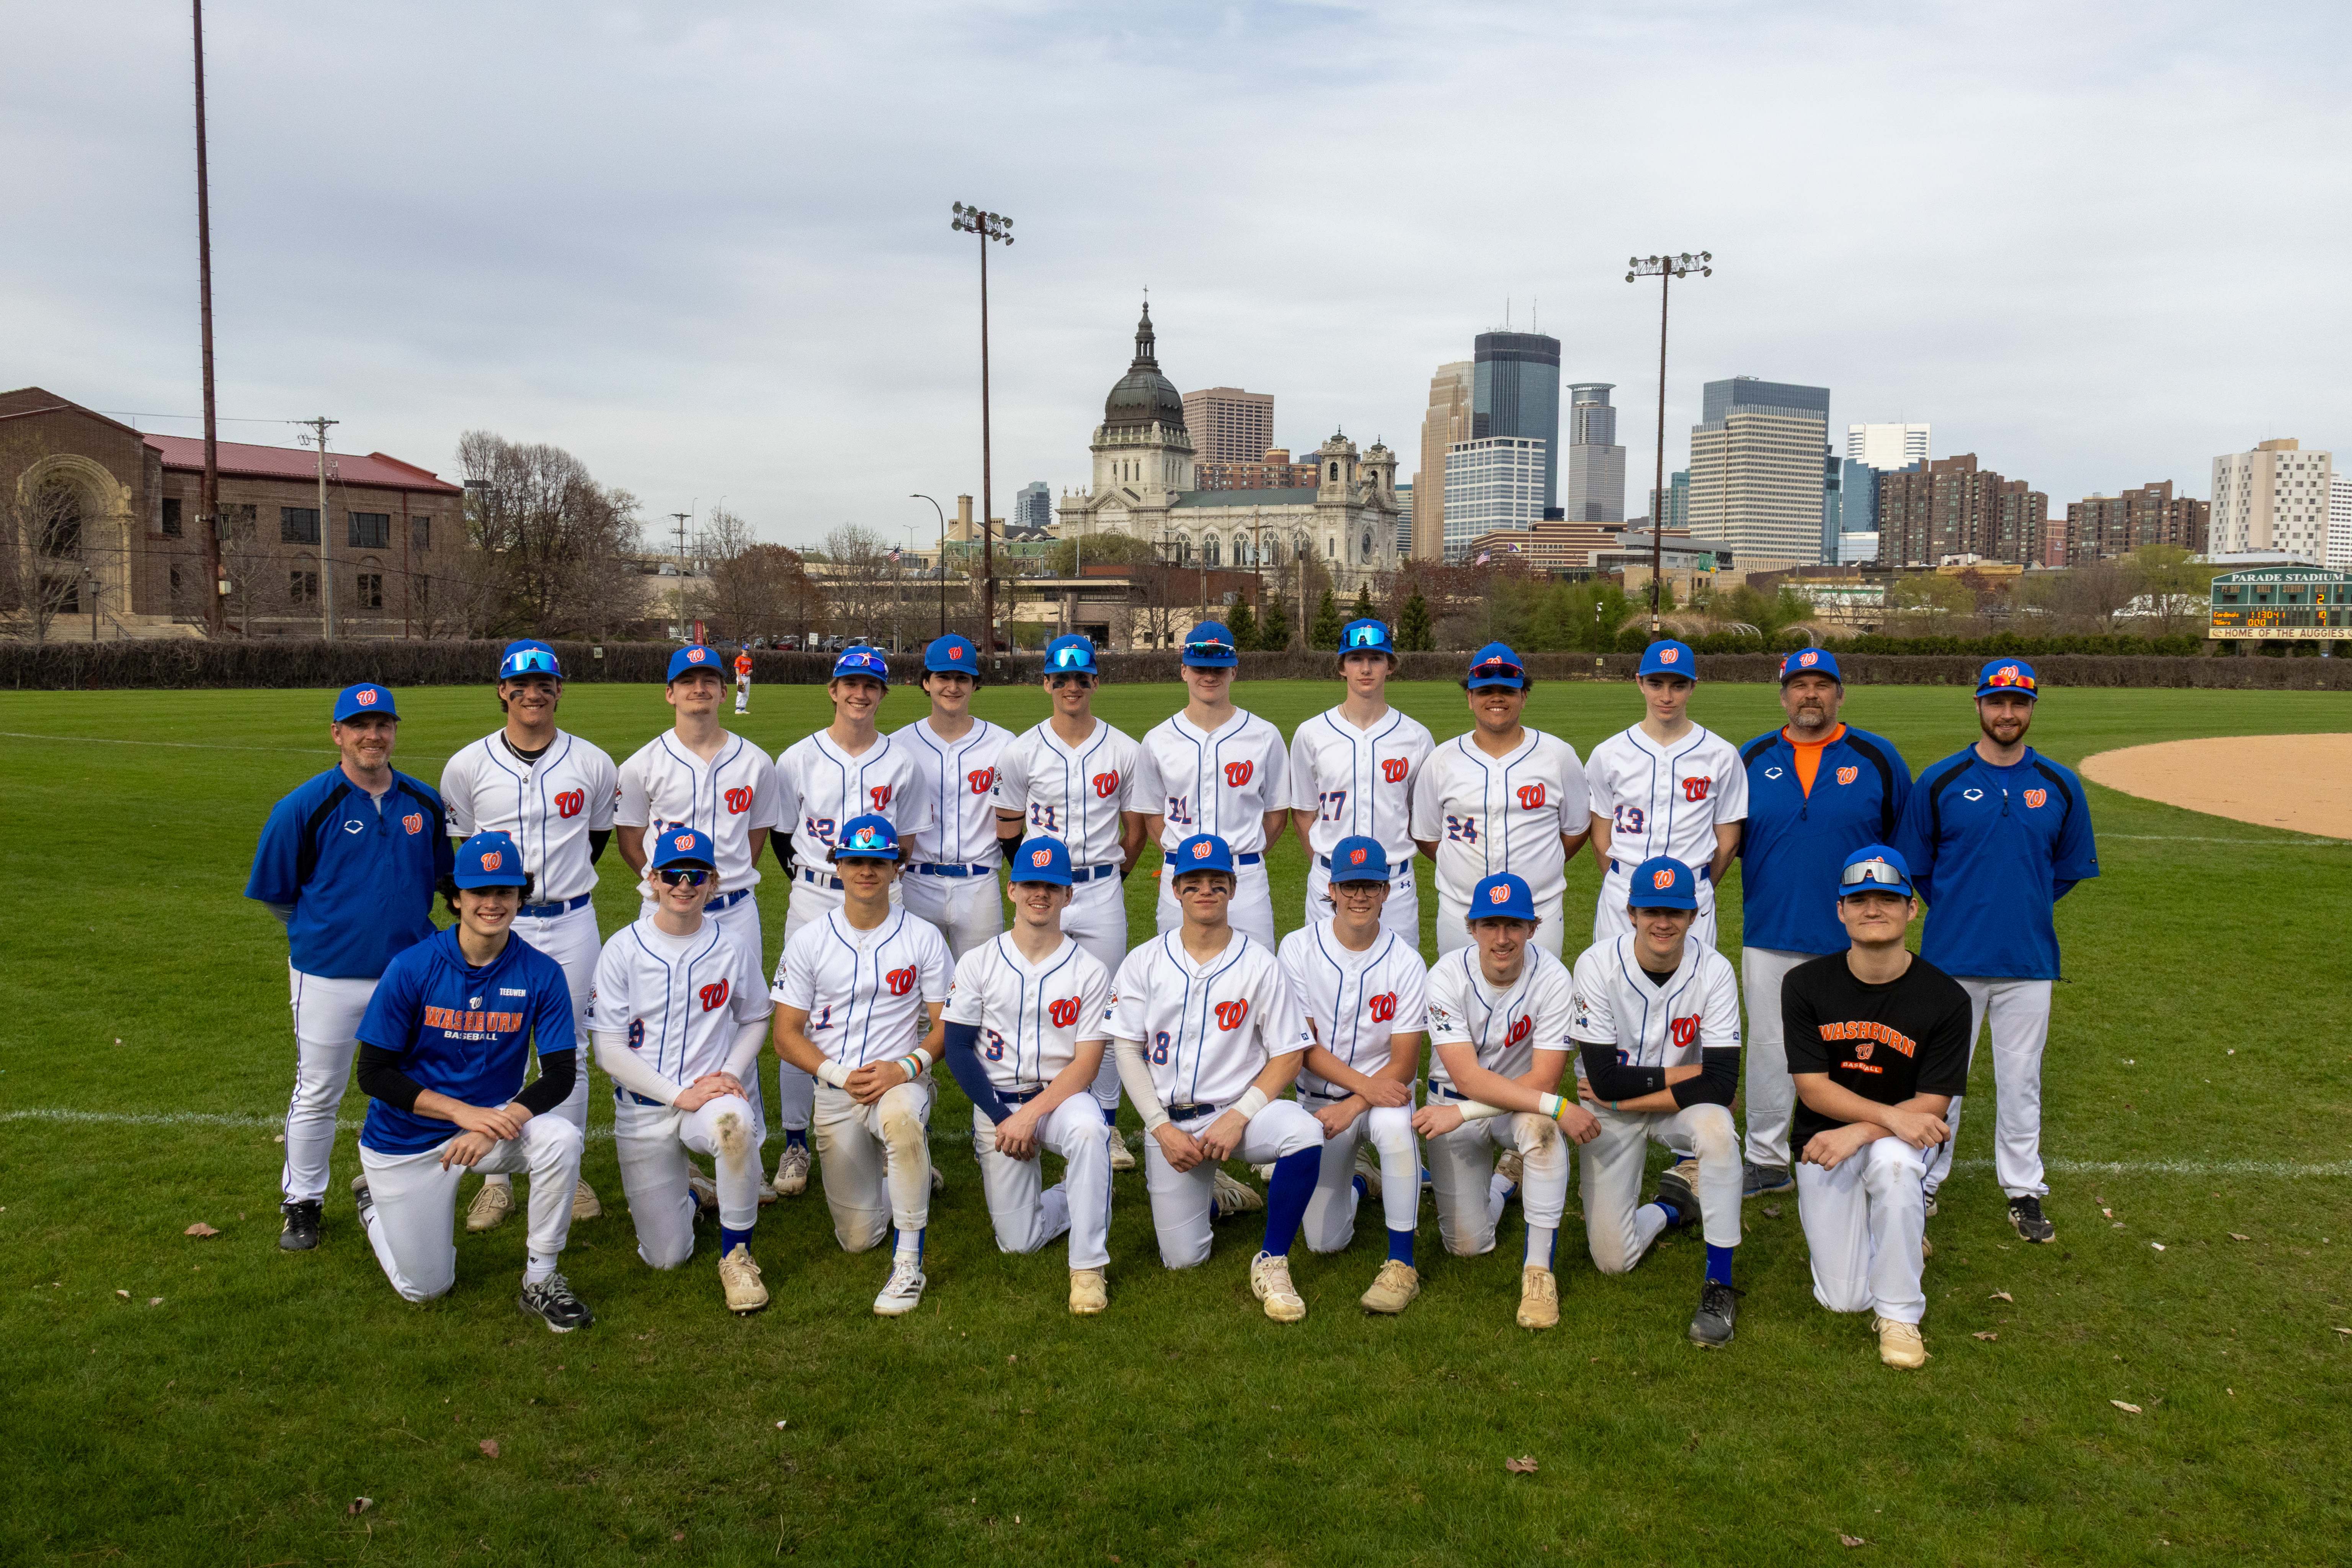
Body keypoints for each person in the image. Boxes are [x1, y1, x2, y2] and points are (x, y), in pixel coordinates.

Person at [347, 831, 591, 1330]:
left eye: (505, 891)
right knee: (426, 1289)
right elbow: (372, 1073)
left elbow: (562, 1074)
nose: (493, 903)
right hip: (406, 1140)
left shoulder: (541, 972)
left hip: (485, 1133)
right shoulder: (413, 968)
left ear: (520, 897)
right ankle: (374, 1206)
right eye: (479, 892)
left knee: (561, 1138)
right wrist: (461, 1114)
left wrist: (490, 1126)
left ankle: (541, 1278)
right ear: (456, 898)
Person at [1892, 659, 2099, 1243]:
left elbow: (2065, 871)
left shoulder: (2059, 784)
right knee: (1940, 1081)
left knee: (2021, 1079)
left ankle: (2024, 1189)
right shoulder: (1941, 779)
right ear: (1978, 705)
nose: (2007, 713)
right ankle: (1926, 1182)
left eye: (2019, 703)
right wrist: (1960, 906)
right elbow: (1918, 869)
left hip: (2027, 962)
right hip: (1951, 960)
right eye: (1997, 701)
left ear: (2033, 708)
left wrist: (2021, 904)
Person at [245, 683, 451, 1252]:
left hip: (409, 975)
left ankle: (398, 1187)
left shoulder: (423, 802)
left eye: (383, 725)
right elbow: (277, 894)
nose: (373, 736)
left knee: (414, 1088)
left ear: (393, 732)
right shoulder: (304, 806)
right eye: (360, 726)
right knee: (319, 1090)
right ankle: (303, 1202)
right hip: (328, 975)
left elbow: (441, 880)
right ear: (337, 734)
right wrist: (331, 931)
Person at [1107, 834, 1325, 1322]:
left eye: (1216, 882)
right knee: (1183, 1260)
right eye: (1194, 882)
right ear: (1176, 890)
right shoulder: (1143, 961)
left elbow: (1290, 1053)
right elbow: (1125, 1047)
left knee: (1304, 1131)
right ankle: (1218, 1196)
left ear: (1231, 888)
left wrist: (1241, 1114)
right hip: (1172, 1125)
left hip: (1240, 1117)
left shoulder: (1259, 963)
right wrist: (1160, 1127)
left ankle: (1272, 1258)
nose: (1205, 890)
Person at [440, 639, 618, 1233]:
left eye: (544, 684)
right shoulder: (468, 765)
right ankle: (497, 1178)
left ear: (559, 691)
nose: (532, 694)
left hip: (570, 920)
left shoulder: (593, 762)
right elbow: (464, 849)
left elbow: (594, 839)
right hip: (497, 924)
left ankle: (565, 1169)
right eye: (521, 685)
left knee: (570, 1050)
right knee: (495, 1044)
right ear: (502, 692)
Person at [1733, 647, 1911, 1200]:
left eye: (1822, 685)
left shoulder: (1879, 758)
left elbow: (1903, 846)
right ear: (1783, 695)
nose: (1811, 695)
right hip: (1771, 930)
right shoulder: (1752, 757)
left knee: (1855, 1048)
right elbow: (1728, 839)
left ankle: (1848, 1149)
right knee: (1768, 1046)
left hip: (1856, 937)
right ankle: (1765, 1157)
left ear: (1840, 693)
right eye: (1799, 685)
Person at [1785, 845, 1972, 1371]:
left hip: (1897, 1141)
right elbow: (1813, 1090)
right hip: (1826, 1140)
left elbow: (1932, 1105)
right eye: (1860, 899)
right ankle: (1905, 1236)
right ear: (1841, 910)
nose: (1874, 909)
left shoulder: (1947, 998)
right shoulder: (1804, 985)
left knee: (1893, 1168)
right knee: (1843, 1299)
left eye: (1888, 898)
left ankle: (1900, 1316)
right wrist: (1882, 1120)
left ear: (1912, 909)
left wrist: (1863, 1132)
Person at [769, 815, 954, 1316]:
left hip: (901, 1082)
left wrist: (906, 1067)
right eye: (856, 861)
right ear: (839, 867)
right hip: (836, 1091)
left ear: (897, 868)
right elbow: (785, 1035)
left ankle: (910, 1263)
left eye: (879, 862)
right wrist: (838, 1076)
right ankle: (908, 1173)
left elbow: (947, 1027)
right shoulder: (809, 939)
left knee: (900, 1117)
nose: (867, 871)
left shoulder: (923, 937)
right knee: (857, 1238)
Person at [771, 645, 936, 1197]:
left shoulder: (901, 760)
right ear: (833, 690)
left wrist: (873, 885)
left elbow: (907, 839)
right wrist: (819, 879)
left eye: (871, 686)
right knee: (801, 1017)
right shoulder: (798, 756)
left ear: (882, 694)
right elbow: (778, 835)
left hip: (883, 894)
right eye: (851, 684)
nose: (860, 694)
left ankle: (902, 1141)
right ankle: (797, 1141)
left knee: (900, 1011)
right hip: (815, 893)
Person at [591, 827, 776, 1316]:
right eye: (672, 873)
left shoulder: (731, 945)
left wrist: (732, 1072)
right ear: (652, 879)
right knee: (666, 1258)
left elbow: (757, 1015)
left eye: (697, 874)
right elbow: (607, 1048)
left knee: (733, 1125)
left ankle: (737, 1255)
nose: (684, 884)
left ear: (714, 882)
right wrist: (678, 1095)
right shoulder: (622, 948)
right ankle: (695, 1194)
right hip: (645, 1108)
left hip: (711, 1097)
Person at [1570, 857, 1747, 1348]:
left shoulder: (1714, 969)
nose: (1663, 922)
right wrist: (1694, 1073)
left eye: (1675, 911)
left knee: (1715, 1132)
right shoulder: (1597, 964)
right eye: (1651, 910)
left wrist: (1633, 1097)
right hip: (1614, 1106)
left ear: (1694, 916)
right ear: (1630, 912)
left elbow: (1723, 1083)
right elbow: (1604, 1078)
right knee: (1613, 1260)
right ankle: (1673, 1206)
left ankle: (1720, 1282)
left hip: (1672, 1106)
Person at [940, 837, 1117, 1314]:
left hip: (1060, 1100)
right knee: (1018, 1242)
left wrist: (1029, 1117)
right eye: (1032, 884)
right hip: (996, 1105)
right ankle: (1085, 1189)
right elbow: (957, 1050)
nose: (1042, 894)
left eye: (1053, 886)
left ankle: (1087, 1269)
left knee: (1088, 1131)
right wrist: (1004, 1118)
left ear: (1068, 895)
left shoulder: (1091, 970)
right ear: (1012, 889)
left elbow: (1086, 1065)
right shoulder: (978, 962)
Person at [991, 634, 1148, 1168]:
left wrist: (1112, 875)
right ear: (1047, 685)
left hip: (1101, 886)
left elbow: (1136, 831)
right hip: (1044, 888)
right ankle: (1026, 1105)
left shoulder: (1125, 748)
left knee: (1105, 1007)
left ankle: (1106, 1124)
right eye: (1062, 678)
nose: (1072, 687)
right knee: (1035, 1000)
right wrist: (1037, 881)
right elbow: (1008, 825)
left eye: (1082, 677)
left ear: (1096, 683)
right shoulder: (1021, 750)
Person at [1412, 872, 1595, 1330]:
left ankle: (1538, 1272)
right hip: (1453, 1103)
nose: (1502, 937)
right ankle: (1503, 1182)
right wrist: (1554, 1104)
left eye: (1513, 925)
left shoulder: (1553, 977)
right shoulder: (1445, 976)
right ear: (1471, 927)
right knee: (1468, 1245)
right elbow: (1468, 1077)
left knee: (1544, 1130)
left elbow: (1547, 1080)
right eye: (1490, 924)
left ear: (1533, 927)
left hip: (1511, 1108)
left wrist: (1542, 1108)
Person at [1274, 836, 1429, 1314]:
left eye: (1370, 885)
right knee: (1325, 1242)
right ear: (1332, 889)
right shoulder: (1297, 948)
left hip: (1381, 1098)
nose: (1359, 896)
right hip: (1322, 1103)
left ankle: (1402, 1263)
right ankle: (1363, 1181)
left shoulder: (1406, 960)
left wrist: (1359, 1099)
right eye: (1349, 885)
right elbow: (1303, 1047)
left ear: (1386, 891)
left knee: (1397, 1128)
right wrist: (1358, 1091)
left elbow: (1404, 1060)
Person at [1410, 642, 1590, 960]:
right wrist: (1461, 867)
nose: (1497, 698)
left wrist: (1541, 865)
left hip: (1538, 909)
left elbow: (1576, 830)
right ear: (1470, 698)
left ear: (1524, 696)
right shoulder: (1442, 760)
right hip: (1461, 910)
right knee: (1460, 1003)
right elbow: (1427, 836)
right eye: (1485, 690)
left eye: (1507, 690)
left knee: (1538, 1005)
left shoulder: (1558, 756)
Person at [1582, 639, 1747, 951]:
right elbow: (1600, 831)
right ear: (1640, 683)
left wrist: (1698, 887)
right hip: (1624, 891)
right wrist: (1621, 882)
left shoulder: (1721, 755)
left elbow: (1728, 841)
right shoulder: (1609, 753)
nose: (1667, 697)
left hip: (1691, 896)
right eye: (1656, 684)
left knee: (1691, 994)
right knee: (1613, 990)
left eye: (1678, 685)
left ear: (1693, 687)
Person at [1134, 621, 1290, 949]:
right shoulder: (1158, 740)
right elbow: (1152, 817)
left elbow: (1277, 815)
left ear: (1234, 671)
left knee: (1255, 982)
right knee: (1177, 980)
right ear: (1184, 671)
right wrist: (1190, 863)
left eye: (1219, 668)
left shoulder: (1264, 735)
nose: (1210, 676)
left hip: (1245, 877)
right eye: (1201, 667)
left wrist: (1244, 855)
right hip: (1181, 877)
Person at [1287, 618, 1434, 939]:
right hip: (1330, 880)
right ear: (1342, 667)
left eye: (1375, 659)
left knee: (1399, 983)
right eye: (1356, 659)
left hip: (1395, 884)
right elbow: (1302, 811)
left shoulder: (1417, 737)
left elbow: (1423, 816)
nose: (1365, 669)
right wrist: (1331, 868)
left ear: (1390, 666)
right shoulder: (1311, 734)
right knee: (1321, 981)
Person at [895, 634, 1013, 957]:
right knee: (911, 991)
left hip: (980, 884)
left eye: (962, 678)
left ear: (976, 685)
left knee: (982, 991)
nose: (953, 687)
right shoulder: (899, 745)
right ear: (926, 683)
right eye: (943, 677)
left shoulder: (1004, 744)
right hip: (915, 882)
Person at [732, 646, 754, 716]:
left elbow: (751, 669)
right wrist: (740, 680)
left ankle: (743, 708)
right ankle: (738, 709)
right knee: (741, 693)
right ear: (742, 650)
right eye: (745, 650)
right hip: (741, 676)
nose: (746, 651)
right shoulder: (739, 659)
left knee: (747, 693)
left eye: (747, 650)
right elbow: (737, 670)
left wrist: (750, 671)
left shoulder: (750, 660)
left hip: (747, 677)